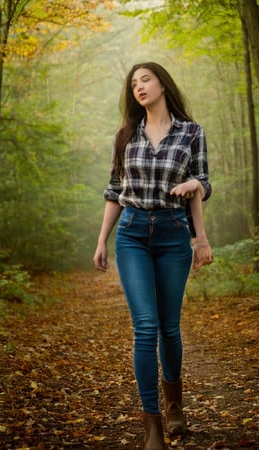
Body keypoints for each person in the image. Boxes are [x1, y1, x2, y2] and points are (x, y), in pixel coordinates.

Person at [94, 61, 212, 450]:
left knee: (169, 327)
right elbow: (115, 190)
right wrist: (101, 241)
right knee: (145, 326)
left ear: (163, 83)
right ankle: (153, 426)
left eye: (145, 79)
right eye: (133, 84)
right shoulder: (125, 135)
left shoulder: (192, 132)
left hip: (173, 233)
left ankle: (175, 404)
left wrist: (201, 238)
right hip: (131, 234)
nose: (138, 87)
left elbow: (202, 184)